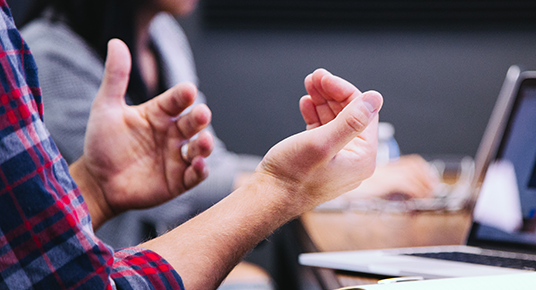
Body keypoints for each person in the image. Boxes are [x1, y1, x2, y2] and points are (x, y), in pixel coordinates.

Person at [0, 0, 384, 287]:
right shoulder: (47, 55)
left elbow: (206, 162)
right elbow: (78, 280)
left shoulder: (163, 35)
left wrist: (97, 189)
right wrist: (288, 185)